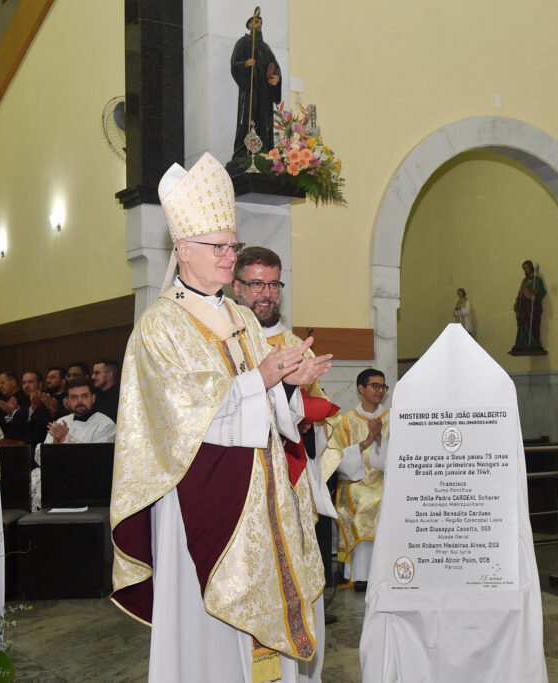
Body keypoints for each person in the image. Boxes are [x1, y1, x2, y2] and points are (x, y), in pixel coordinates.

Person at [110, 152, 331, 683]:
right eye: (220, 246)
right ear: (184, 250)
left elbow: (267, 410)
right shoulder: (160, 327)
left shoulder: (239, 317)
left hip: (261, 499)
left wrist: (289, 389)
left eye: (232, 245)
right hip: (199, 500)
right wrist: (264, 379)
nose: (230, 255)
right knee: (206, 642)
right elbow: (184, 417)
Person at [233, 245, 343, 664]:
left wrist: (298, 399)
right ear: (236, 284)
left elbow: (310, 419)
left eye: (273, 284)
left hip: (287, 488)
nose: (265, 293)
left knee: (295, 579)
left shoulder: (297, 345)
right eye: (255, 283)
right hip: (238, 487)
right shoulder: (227, 339)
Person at [326, 369, 390, 592]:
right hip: (355, 482)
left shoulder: (392, 419)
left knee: (385, 500)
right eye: (375, 386)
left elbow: (397, 459)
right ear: (361, 389)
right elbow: (337, 460)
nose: (380, 391)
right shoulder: (345, 422)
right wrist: (365, 443)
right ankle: (360, 575)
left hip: (384, 480)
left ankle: (386, 571)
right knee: (363, 501)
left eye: (383, 386)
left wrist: (380, 438)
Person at [229, 13, 281, 161]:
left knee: (263, 122)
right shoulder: (243, 42)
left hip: (264, 93)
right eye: (256, 22)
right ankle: (243, 152)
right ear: (250, 24)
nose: (259, 25)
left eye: (261, 22)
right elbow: (234, 64)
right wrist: (245, 64)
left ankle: (264, 152)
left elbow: (275, 67)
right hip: (250, 89)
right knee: (248, 119)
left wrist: (276, 77)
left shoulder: (265, 48)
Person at [44, 378, 115, 444]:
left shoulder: (106, 425)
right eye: (74, 397)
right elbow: (41, 455)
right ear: (68, 401)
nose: (79, 401)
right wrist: (55, 443)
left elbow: (98, 455)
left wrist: (66, 437)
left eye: (84, 396)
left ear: (93, 398)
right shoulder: (61, 422)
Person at [511, 260, 546, 352]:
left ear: (531, 268)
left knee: (532, 326)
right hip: (524, 308)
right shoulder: (524, 281)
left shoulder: (537, 281)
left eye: (526, 268)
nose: (525, 270)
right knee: (523, 325)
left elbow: (543, 292)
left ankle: (534, 343)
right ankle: (522, 344)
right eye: (524, 269)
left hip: (533, 309)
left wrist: (537, 293)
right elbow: (520, 294)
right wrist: (517, 303)